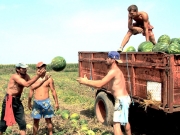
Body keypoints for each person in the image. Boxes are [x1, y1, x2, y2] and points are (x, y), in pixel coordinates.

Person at [76, 51, 131, 135]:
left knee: (116, 125)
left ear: (112, 60)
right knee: (125, 121)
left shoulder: (113, 71)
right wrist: (88, 81)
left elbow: (100, 84)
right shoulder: (116, 70)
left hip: (120, 100)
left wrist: (84, 82)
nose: (106, 60)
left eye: (108, 58)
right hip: (125, 98)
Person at [0, 62, 46, 135]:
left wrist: (43, 79)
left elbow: (33, 85)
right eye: (23, 68)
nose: (25, 70)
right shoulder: (15, 76)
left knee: (22, 123)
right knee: (3, 124)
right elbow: (26, 84)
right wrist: (37, 75)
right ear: (18, 70)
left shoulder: (26, 76)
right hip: (9, 100)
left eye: (25, 68)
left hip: (17, 101)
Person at [28, 61, 59, 135]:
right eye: (40, 68)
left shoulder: (49, 79)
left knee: (48, 120)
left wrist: (56, 103)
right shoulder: (35, 79)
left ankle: (50, 133)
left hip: (46, 102)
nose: (42, 69)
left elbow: (53, 91)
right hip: (36, 102)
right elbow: (31, 90)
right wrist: (29, 102)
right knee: (36, 121)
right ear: (37, 69)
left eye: (43, 67)